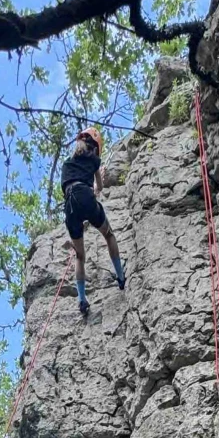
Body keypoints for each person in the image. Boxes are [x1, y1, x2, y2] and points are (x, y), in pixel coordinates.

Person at [61, 126, 125, 318]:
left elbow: (66, 188)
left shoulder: (66, 164)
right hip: (86, 197)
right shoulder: (94, 160)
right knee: (108, 234)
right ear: (96, 147)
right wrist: (99, 179)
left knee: (80, 256)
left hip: (70, 205)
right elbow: (99, 189)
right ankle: (121, 277)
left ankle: (81, 299)